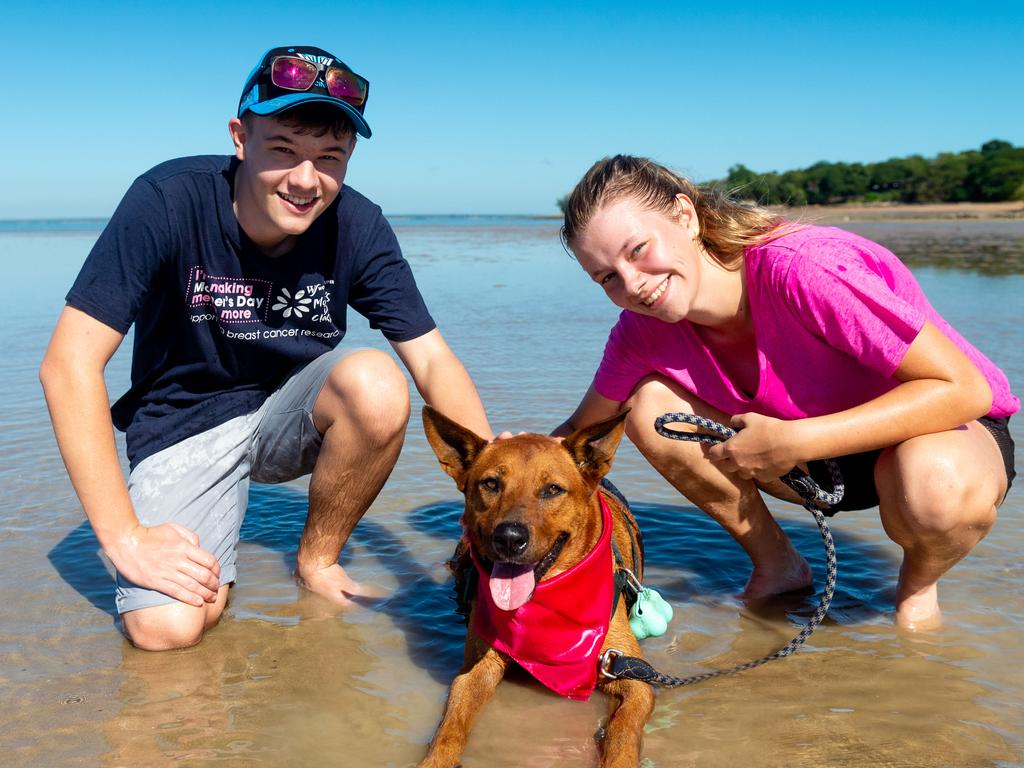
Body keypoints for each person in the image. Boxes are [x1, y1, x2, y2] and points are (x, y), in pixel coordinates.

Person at [39, 45, 492, 651]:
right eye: (284, 149)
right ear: (240, 137)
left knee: (376, 383)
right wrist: (122, 537)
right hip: (184, 423)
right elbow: (68, 365)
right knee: (169, 630)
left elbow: (432, 359)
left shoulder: (359, 225)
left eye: (330, 158)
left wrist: (493, 484)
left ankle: (317, 562)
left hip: (289, 414)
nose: (306, 180)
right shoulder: (167, 199)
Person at [554, 154, 1017, 631]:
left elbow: (964, 390)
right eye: (607, 276)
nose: (634, 285)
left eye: (637, 250)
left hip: (938, 430)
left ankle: (918, 589)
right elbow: (577, 431)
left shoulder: (803, 268)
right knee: (647, 405)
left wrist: (797, 442)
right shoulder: (640, 331)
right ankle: (779, 566)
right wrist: (504, 463)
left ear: (685, 216)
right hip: (809, 462)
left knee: (934, 485)